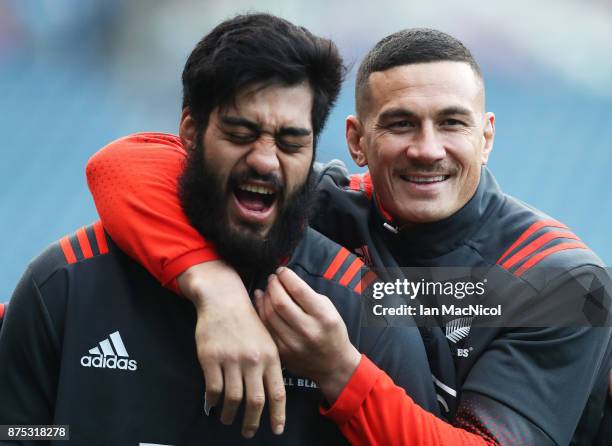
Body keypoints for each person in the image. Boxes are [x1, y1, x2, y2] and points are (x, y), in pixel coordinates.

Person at [85, 27, 612, 444]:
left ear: (486, 136)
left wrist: (340, 369)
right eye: (401, 124)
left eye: (452, 123)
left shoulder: (566, 285)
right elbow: (124, 163)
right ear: (357, 141)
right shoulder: (329, 205)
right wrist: (215, 290)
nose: (427, 149)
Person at [0, 15, 451, 445]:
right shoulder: (62, 284)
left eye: (292, 141)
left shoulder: (365, 316)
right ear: (191, 133)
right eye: (240, 133)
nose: (265, 159)